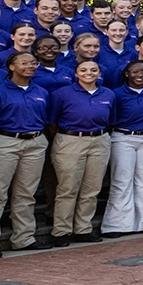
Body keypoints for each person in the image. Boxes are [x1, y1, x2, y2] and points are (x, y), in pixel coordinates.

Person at [0, 51, 50, 257]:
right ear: (11, 66)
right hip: (5, 142)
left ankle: (24, 237)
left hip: (34, 142)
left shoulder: (41, 92)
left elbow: (46, 118)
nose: (30, 66)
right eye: (24, 63)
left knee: (26, 193)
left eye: (33, 63)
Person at [48, 59, 113, 246]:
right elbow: (52, 121)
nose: (89, 73)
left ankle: (83, 228)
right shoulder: (62, 94)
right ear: (76, 74)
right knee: (68, 187)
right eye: (83, 70)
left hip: (99, 140)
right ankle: (61, 231)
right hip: (70, 140)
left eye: (94, 69)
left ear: (99, 73)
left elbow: (110, 119)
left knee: (92, 188)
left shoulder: (107, 94)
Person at [100, 60, 143, 237]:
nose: (140, 75)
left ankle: (142, 223)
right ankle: (115, 225)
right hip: (123, 137)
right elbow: (111, 118)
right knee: (122, 180)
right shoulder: (116, 94)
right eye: (135, 72)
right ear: (127, 74)